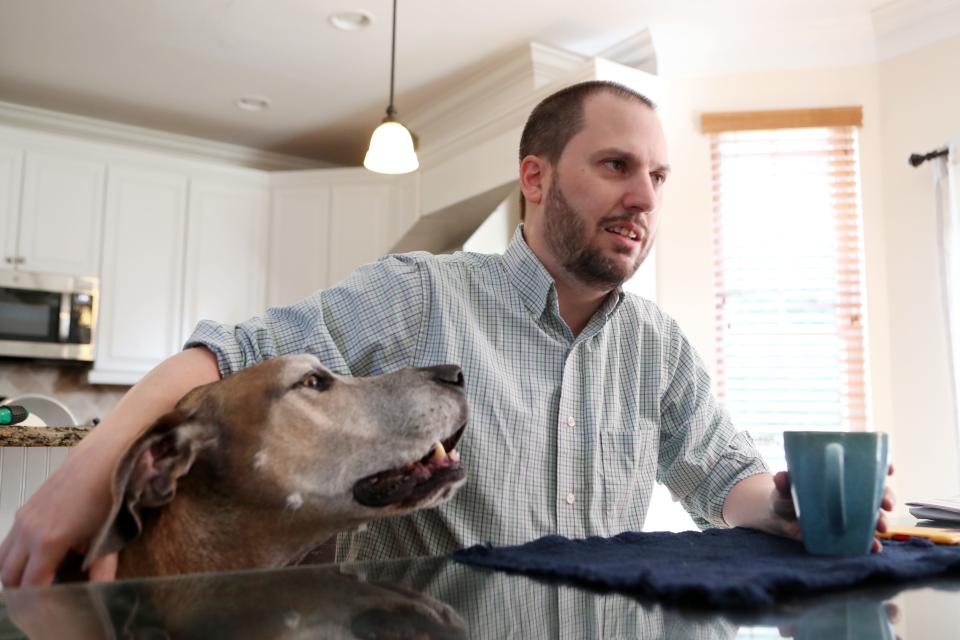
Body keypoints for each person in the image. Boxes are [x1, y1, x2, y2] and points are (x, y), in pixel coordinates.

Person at [0, 81, 893, 586]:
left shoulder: (659, 347)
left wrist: (785, 507)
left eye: (658, 174)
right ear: (535, 178)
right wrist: (84, 475)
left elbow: (722, 478)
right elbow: (224, 360)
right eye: (617, 165)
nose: (646, 197)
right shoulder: (419, 296)